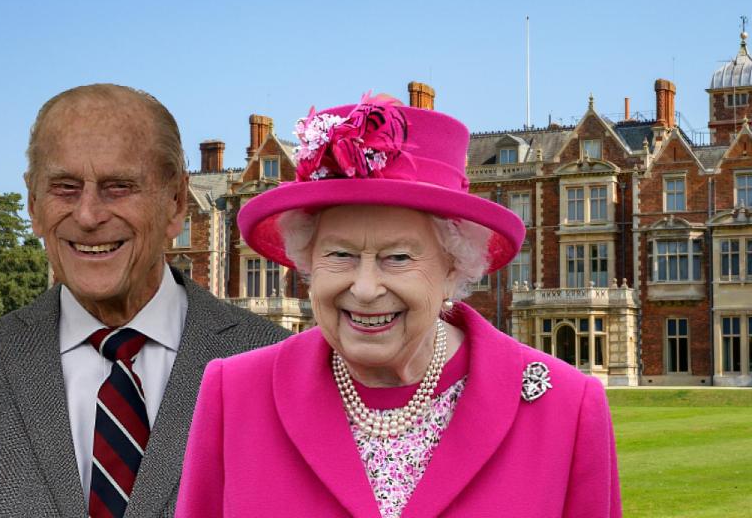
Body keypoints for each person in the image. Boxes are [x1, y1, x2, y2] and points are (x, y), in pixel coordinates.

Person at [176, 93, 622, 517]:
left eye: (398, 257)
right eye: (340, 254)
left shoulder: (566, 409)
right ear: (307, 262)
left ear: (454, 267)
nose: (366, 288)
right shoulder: (232, 393)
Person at [0, 84, 289, 518]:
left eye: (119, 187)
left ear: (176, 203)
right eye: (65, 187)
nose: (88, 216)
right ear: (33, 204)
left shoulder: (275, 367)